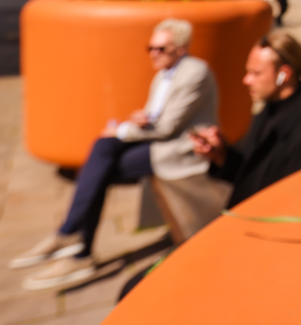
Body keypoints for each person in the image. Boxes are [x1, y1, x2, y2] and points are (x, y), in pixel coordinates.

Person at [11, 18, 218, 290]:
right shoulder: (164, 73)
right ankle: (74, 240)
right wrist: (137, 122)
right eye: (151, 48)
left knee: (100, 164)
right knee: (101, 149)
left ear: (180, 49)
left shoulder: (194, 72)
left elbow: (168, 129)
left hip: (179, 148)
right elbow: (157, 119)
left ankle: (75, 241)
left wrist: (125, 131)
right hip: (158, 140)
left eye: (161, 49)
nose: (153, 54)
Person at [191, 31, 301, 208]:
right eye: (247, 71)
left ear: (284, 74)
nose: (246, 80)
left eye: (256, 73)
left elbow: (296, 201)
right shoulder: (271, 107)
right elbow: (252, 174)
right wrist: (221, 155)